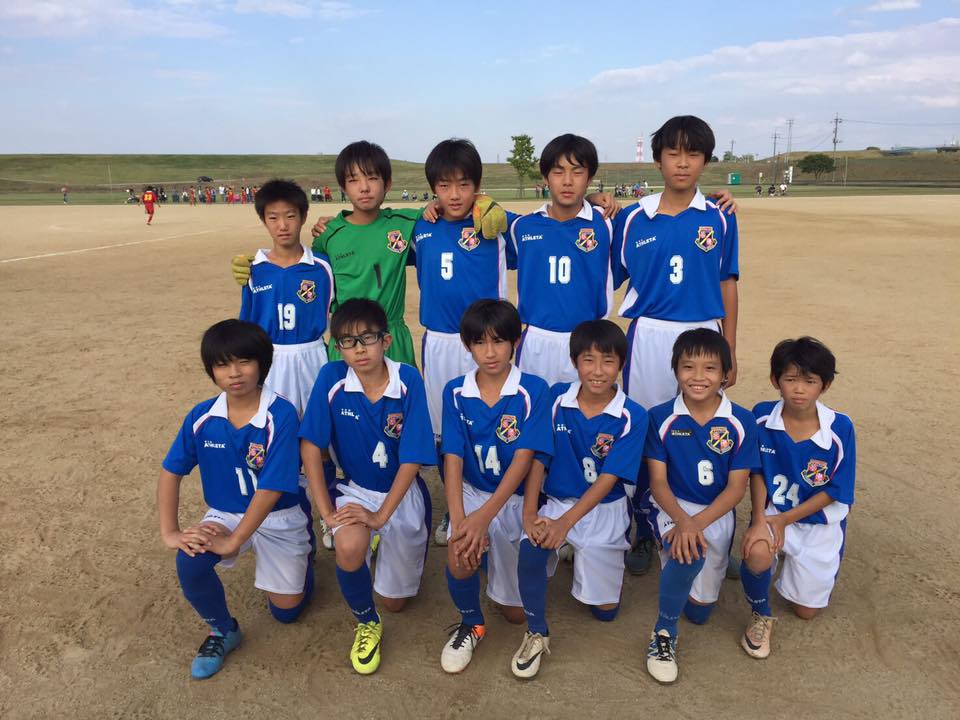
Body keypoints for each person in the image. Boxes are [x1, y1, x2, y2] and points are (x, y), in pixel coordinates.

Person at [612, 116, 739, 576]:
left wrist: (732, 345)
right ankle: (644, 529)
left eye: (694, 154)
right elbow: (601, 264)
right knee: (647, 431)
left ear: (705, 160)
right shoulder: (631, 218)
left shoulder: (721, 216)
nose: (683, 163)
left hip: (704, 334)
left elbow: (728, 283)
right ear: (658, 157)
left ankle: (714, 527)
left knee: (704, 427)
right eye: (673, 153)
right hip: (648, 335)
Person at [158, 320, 313, 680]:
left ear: (262, 363)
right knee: (191, 559)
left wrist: (235, 541)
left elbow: (271, 487)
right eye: (223, 364)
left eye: (244, 361)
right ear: (211, 370)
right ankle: (223, 629)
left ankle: (305, 561)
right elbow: (171, 472)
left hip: (279, 515)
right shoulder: (201, 417)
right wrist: (171, 531)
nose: (235, 372)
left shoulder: (281, 414)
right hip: (226, 513)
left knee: (287, 613)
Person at [299, 299, 436, 675]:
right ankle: (366, 621)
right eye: (347, 341)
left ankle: (382, 539)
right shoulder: (331, 378)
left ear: (386, 340)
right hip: (356, 490)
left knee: (397, 602)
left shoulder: (407, 378)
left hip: (400, 493)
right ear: (337, 347)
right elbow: (310, 445)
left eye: (367, 338)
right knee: (348, 545)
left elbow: (412, 458)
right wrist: (326, 511)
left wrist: (381, 516)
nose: (358, 349)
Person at [511, 320, 647, 679]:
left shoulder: (634, 414)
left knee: (605, 611)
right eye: (588, 360)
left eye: (608, 361)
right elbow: (539, 457)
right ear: (574, 361)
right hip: (555, 502)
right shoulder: (556, 398)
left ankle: (575, 547)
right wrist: (530, 514)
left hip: (604, 509)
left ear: (621, 364)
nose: (598, 371)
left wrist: (565, 524)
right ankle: (536, 631)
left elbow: (608, 478)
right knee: (530, 549)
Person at [438, 299, 551, 673]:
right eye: (480, 343)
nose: (490, 353)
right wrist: (459, 520)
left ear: (515, 341)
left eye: (499, 342)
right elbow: (452, 457)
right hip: (472, 493)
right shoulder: (455, 391)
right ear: (466, 344)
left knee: (516, 614)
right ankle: (472, 622)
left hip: (515, 499)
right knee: (459, 550)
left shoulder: (533, 389)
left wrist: (483, 519)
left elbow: (524, 460)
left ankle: (491, 552)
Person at [642, 329, 758, 684]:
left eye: (710, 368)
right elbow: (658, 483)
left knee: (700, 612)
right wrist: (683, 521)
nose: (698, 376)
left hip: (716, 511)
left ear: (725, 373)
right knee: (688, 553)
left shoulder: (742, 420)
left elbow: (737, 488)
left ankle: (689, 571)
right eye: (688, 366)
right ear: (675, 370)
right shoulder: (660, 416)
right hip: (670, 506)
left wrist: (695, 523)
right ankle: (663, 632)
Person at [738, 337, 856, 659]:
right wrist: (760, 519)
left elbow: (836, 490)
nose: (799, 389)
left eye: (809, 381)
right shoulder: (761, 417)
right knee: (757, 551)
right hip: (775, 510)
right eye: (790, 379)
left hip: (817, 522)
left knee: (805, 610)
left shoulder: (839, 428)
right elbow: (756, 470)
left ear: (825, 385)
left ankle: (804, 568)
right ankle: (760, 613)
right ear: (776, 380)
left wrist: (786, 520)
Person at [506, 134, 619, 386]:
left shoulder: (607, 224)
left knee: (585, 418)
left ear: (589, 179)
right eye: (558, 172)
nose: (567, 181)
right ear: (546, 178)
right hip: (536, 340)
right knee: (535, 418)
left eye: (577, 172)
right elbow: (475, 209)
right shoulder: (521, 227)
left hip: (589, 342)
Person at [239, 179, 334, 417]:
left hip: (313, 356)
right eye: (273, 218)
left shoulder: (322, 266)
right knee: (276, 423)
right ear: (263, 220)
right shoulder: (254, 270)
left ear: (303, 217)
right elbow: (247, 324)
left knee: (319, 426)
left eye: (290, 216)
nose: (282, 225)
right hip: (271, 360)